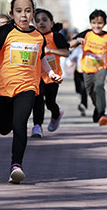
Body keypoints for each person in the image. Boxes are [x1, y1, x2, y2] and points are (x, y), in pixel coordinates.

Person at [0, 0, 61, 183]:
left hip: (28, 86)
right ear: (12, 13)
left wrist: (50, 74)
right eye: (19, 11)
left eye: (28, 11)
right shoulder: (5, 32)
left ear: (33, 13)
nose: (23, 15)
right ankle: (1, 116)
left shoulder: (38, 37)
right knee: (4, 128)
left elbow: (40, 58)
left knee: (20, 124)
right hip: (4, 87)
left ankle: (16, 166)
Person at [70, 10, 107, 126]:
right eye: (94, 23)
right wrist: (77, 41)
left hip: (102, 67)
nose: (97, 26)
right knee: (91, 91)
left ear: (104, 24)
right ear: (90, 23)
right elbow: (69, 44)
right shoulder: (86, 34)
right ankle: (98, 108)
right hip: (87, 68)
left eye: (100, 23)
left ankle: (102, 114)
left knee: (99, 85)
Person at [31, 8, 69, 136]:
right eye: (37, 21)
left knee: (50, 102)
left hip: (53, 76)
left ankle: (56, 113)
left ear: (51, 23)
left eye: (44, 20)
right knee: (38, 99)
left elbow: (66, 53)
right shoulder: (32, 37)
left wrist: (50, 51)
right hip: (37, 76)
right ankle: (37, 126)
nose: (41, 23)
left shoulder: (55, 36)